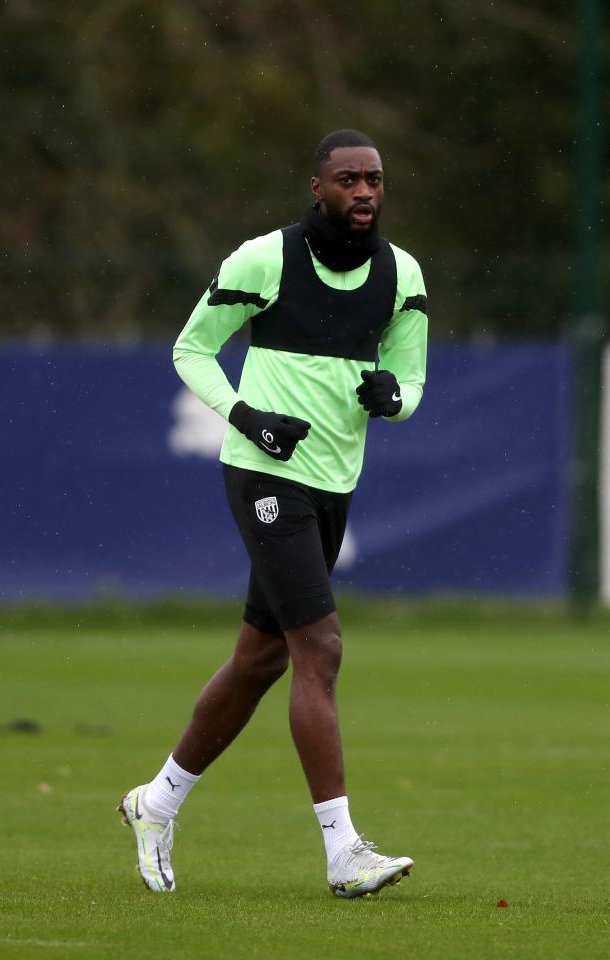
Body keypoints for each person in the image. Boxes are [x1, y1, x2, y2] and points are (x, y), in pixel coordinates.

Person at [119, 129, 428, 898]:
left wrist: (392, 397)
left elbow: (411, 381)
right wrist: (246, 416)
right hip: (263, 474)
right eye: (348, 179)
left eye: (375, 179)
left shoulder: (402, 274)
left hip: (333, 483)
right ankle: (343, 853)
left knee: (260, 661)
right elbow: (191, 350)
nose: (365, 191)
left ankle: (155, 804)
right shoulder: (264, 259)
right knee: (320, 648)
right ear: (317, 187)